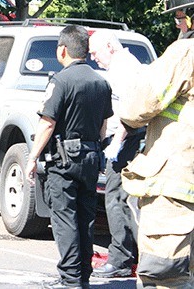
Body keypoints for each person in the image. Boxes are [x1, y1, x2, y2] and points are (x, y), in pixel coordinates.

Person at [26, 25, 113, 289]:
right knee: (85, 217)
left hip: (64, 160)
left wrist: (32, 158)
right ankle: (83, 275)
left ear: (63, 50)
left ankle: (70, 279)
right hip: (90, 157)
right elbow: (103, 126)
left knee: (64, 219)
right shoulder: (101, 82)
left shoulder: (61, 81)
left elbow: (48, 123)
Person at [118, 5, 194, 287]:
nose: (178, 26)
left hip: (176, 189)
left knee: (165, 276)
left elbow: (139, 105)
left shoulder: (184, 53)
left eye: (180, 18)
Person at [88, 30, 143, 278]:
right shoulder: (125, 65)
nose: (93, 58)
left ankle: (120, 259)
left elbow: (129, 109)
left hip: (127, 140)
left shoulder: (123, 68)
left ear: (109, 46)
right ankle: (129, 255)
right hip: (128, 138)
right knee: (126, 199)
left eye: (95, 52)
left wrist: (117, 142)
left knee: (116, 198)